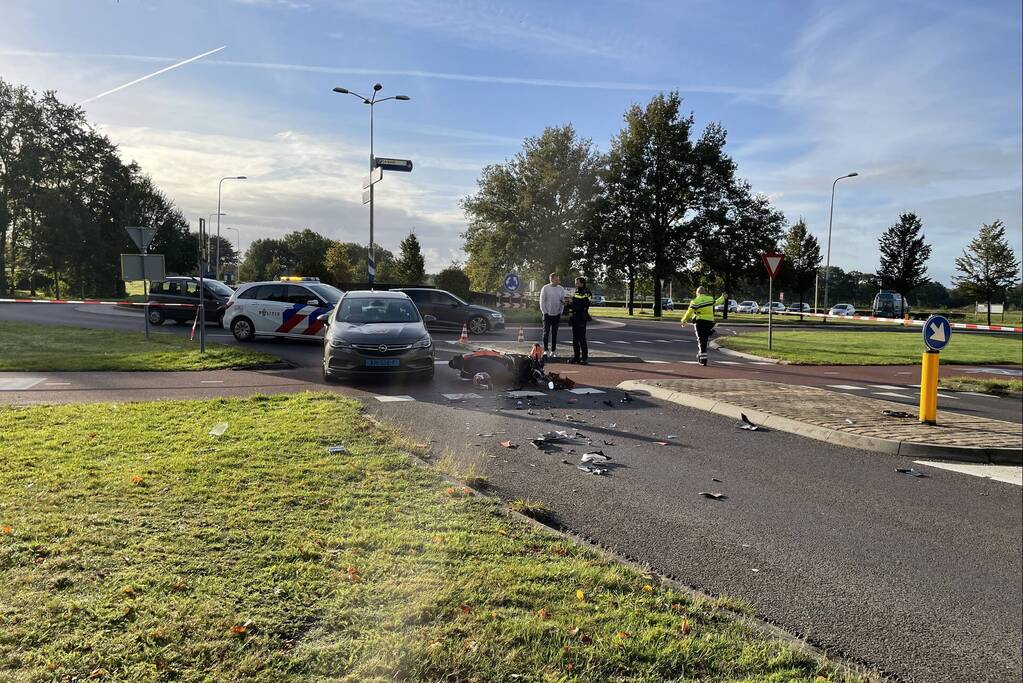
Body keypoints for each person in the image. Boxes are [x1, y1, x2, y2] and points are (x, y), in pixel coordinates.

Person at [680, 286, 726, 365]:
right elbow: (717, 302)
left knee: (701, 340)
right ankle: (709, 332)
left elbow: (689, 312)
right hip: (709, 321)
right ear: (705, 292)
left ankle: (703, 359)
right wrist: (722, 297)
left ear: (697, 293)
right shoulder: (710, 299)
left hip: (700, 321)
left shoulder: (695, 301)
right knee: (704, 339)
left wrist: (683, 320)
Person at [538, 273, 566, 358]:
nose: (558, 281)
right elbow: (542, 301)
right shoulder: (545, 288)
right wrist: (544, 312)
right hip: (547, 314)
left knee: (555, 333)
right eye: (556, 279)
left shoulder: (561, 289)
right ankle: (546, 350)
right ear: (551, 279)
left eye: (558, 279)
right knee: (546, 332)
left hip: (557, 314)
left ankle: (553, 351)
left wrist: (560, 312)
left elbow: (562, 301)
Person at [567, 276, 592, 364]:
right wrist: (567, 304)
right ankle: (576, 357)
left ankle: (584, 358)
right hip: (574, 317)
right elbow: (572, 304)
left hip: (581, 318)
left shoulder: (587, 292)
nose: (576, 284)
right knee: (575, 339)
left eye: (577, 283)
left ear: (582, 283)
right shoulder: (575, 292)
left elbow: (584, 304)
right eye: (575, 283)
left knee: (582, 339)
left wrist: (572, 303)